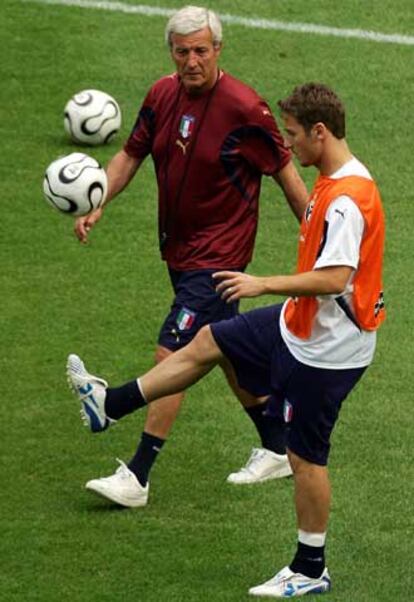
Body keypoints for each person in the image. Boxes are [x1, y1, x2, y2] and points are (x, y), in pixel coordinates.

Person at [68, 82, 385, 596]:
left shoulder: (347, 199)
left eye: (294, 135)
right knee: (213, 339)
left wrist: (262, 283)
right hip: (299, 323)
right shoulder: (336, 177)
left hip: (329, 350)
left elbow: (336, 279)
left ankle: (309, 568)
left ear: (320, 132)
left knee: (307, 459)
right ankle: (110, 404)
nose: (289, 145)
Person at [73, 5, 308, 506]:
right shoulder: (161, 94)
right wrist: (97, 201)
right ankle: (278, 448)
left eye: (202, 50)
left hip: (219, 260)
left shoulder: (246, 109)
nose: (192, 60)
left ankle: (137, 474)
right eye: (183, 52)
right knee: (228, 351)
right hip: (178, 253)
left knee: (175, 354)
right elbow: (131, 154)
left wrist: (324, 244)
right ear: (171, 53)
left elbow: (288, 179)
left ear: (218, 50)